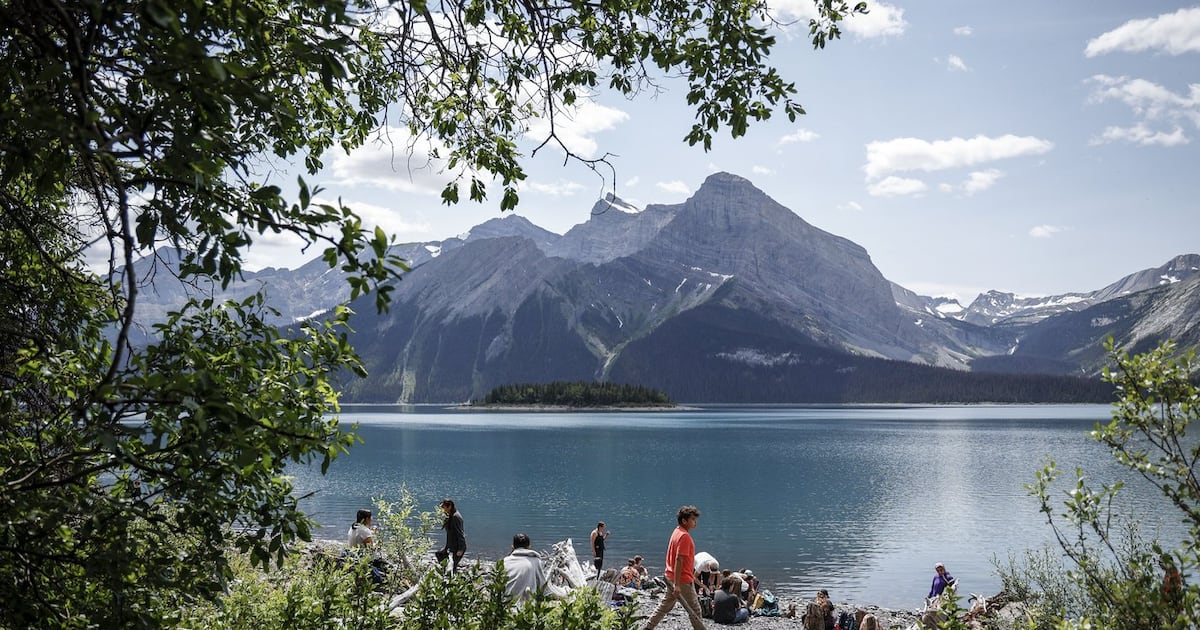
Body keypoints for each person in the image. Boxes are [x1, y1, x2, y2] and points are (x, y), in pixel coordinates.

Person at [643, 505, 707, 630]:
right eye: (693, 519)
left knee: (665, 606)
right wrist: (677, 585)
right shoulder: (685, 537)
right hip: (682, 579)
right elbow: (679, 559)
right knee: (695, 609)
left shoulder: (677, 531)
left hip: (671, 576)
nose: (695, 523)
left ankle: (648, 627)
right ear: (684, 520)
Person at [503, 532, 548, 605]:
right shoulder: (535, 561)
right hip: (526, 607)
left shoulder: (505, 562)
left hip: (505, 605)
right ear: (529, 547)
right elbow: (543, 586)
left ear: (512, 547)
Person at [436, 498, 466, 573]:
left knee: (453, 566)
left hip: (457, 547)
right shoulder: (451, 516)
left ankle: (453, 581)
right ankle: (445, 574)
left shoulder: (456, 517)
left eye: (444, 507)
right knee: (439, 554)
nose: (443, 510)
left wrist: (461, 549)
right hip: (450, 546)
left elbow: (460, 533)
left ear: (449, 506)